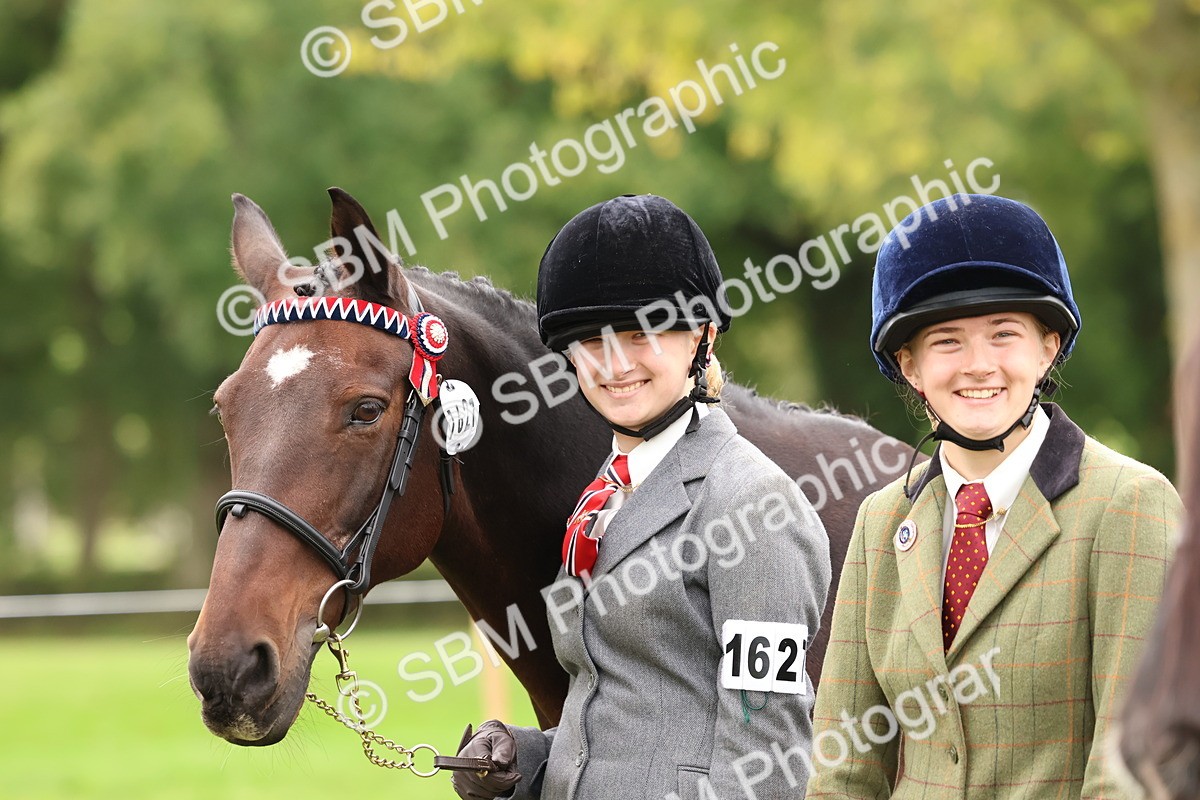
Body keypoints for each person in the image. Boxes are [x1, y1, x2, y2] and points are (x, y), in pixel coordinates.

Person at [448, 194, 831, 800]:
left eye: (641, 332)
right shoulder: (604, 494)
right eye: (591, 341)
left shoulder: (753, 507)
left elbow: (767, 753)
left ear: (701, 336)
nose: (615, 362)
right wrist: (523, 755)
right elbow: (612, 702)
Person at [805, 194, 1182, 798]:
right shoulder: (882, 522)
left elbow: (1130, 770)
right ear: (910, 365)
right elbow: (844, 770)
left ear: (1047, 348)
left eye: (1004, 334)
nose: (978, 365)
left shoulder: (1129, 506)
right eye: (947, 341)